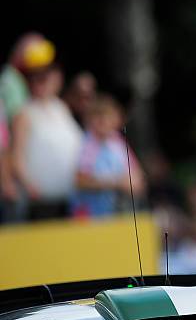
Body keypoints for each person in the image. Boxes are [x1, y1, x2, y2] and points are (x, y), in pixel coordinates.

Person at [11, 65, 82, 220]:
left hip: (70, 198)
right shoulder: (24, 113)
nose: (40, 84)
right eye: (35, 79)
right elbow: (17, 156)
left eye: (45, 78)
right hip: (39, 202)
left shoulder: (62, 108)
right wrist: (28, 185)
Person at [70, 94, 145, 217]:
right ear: (89, 120)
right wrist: (117, 183)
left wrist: (136, 183)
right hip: (90, 217)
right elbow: (80, 181)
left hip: (118, 215)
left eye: (108, 116)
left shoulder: (118, 143)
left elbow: (136, 175)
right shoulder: (86, 145)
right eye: (98, 116)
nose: (103, 121)